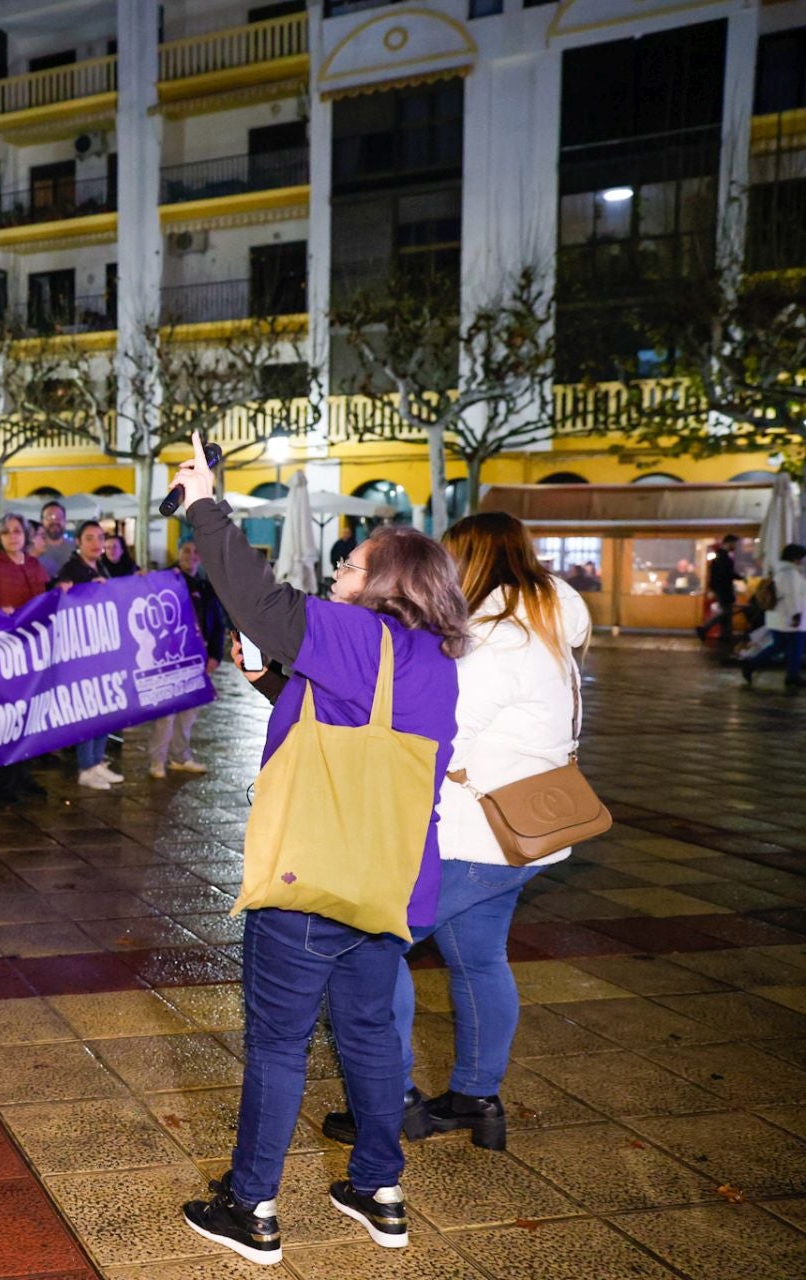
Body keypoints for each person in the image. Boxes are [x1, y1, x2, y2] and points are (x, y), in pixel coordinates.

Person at [173, 434, 468, 1265]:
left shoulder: (353, 632)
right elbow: (353, 726)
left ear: (384, 584)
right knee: (371, 1036)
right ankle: (381, 1190)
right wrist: (270, 682)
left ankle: (251, 1204)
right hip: (388, 881)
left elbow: (258, 600)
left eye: (352, 562)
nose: (339, 569)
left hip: (313, 881)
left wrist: (205, 502)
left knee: (276, 1041)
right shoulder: (433, 660)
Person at [324, 511, 593, 1154]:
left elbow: (441, 733)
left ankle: (391, 1101)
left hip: (474, 834)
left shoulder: (497, 638)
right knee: (478, 959)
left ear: (469, 562)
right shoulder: (547, 624)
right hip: (523, 831)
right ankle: (476, 1098)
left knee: (371, 946)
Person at [54, 521, 122, 791]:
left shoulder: (101, 567)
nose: (96, 543)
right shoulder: (72, 570)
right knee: (88, 709)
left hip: (103, 648)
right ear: (79, 542)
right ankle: (85, 766)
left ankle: (96, 762)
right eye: (89, 538)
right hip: (83, 651)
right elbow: (62, 599)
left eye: (100, 537)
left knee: (105, 706)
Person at [151, 541, 225, 778]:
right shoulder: (167, 580)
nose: (191, 556)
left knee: (189, 712)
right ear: (178, 554)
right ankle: (157, 761)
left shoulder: (205, 586)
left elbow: (217, 623)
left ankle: (180, 756)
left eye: (196, 552)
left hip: (198, 658)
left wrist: (215, 655)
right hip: (171, 658)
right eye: (186, 551)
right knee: (166, 713)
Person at [743, 544, 806, 689]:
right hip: (789, 618)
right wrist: (796, 615)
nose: (802, 561)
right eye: (801, 558)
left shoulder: (779, 571)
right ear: (796, 558)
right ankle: (792, 676)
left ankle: (752, 665)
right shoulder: (790, 574)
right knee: (795, 646)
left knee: (780, 645)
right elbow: (792, 596)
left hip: (779, 617)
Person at [0, 513, 50, 610]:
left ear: (25, 534)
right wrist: (0, 611)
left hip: (38, 623)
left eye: (17, 531)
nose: (12, 536)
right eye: (6, 532)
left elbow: (47, 594)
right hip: (5, 624)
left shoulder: (34, 563)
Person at [699, 534, 744, 657]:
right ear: (729, 543)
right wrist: (741, 577)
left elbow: (717, 574)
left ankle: (725, 636)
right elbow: (727, 574)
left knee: (727, 614)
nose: (735, 547)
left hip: (721, 589)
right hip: (724, 590)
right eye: (734, 544)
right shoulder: (723, 557)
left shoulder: (719, 556)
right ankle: (705, 628)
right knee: (725, 613)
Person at [36, 499, 74, 577]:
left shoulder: (75, 548)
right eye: (49, 517)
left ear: (65, 521)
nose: (54, 521)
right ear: (41, 521)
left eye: (59, 517)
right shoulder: (34, 551)